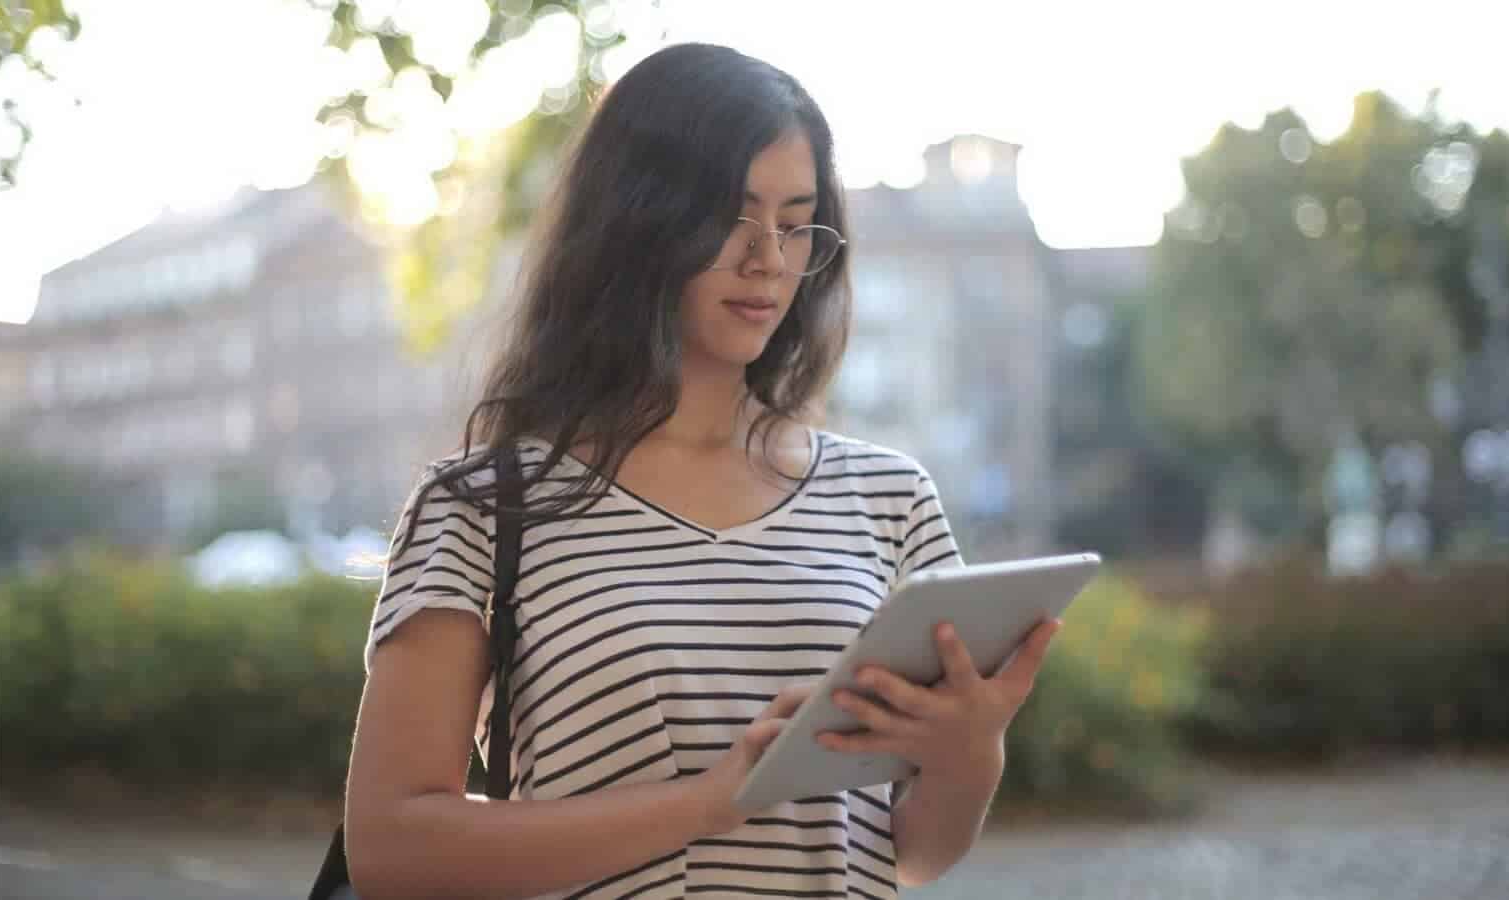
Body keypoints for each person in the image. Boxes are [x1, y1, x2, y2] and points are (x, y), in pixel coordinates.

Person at [344, 42, 1060, 900]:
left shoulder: (888, 498)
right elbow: (390, 849)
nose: (769, 259)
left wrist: (972, 748)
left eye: (796, 223)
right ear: (635, 223)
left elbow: (914, 855)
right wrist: (708, 804)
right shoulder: (482, 507)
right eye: (732, 217)